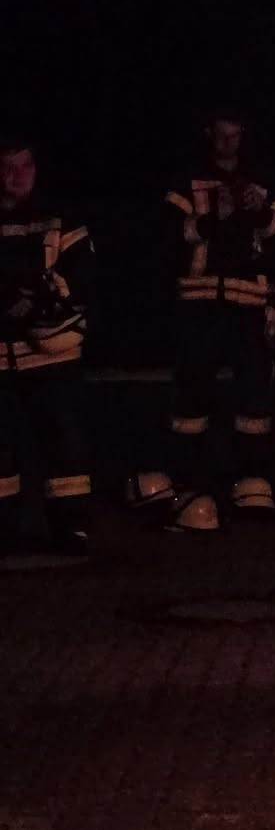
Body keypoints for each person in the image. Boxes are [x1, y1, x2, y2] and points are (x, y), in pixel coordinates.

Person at [149, 109, 275, 529]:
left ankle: (251, 478)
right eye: (222, 135)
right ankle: (188, 477)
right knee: (192, 392)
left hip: (250, 303)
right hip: (199, 302)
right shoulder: (186, 180)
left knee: (254, 393)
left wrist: (261, 213)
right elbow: (169, 236)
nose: (229, 143)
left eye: (236, 135)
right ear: (208, 134)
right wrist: (214, 216)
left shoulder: (264, 181)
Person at [0, 133, 96, 556]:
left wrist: (42, 298)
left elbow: (84, 275)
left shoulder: (62, 218)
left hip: (53, 351)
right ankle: (3, 530)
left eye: (24, 165)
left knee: (64, 440)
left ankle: (72, 528)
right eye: (6, 166)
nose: (15, 175)